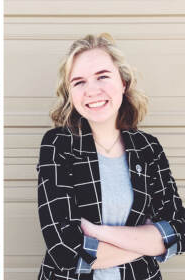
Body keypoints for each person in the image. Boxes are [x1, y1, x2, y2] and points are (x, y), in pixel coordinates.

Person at [37, 33, 185, 280]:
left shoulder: (148, 148)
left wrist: (99, 232)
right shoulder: (58, 144)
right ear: (70, 93)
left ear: (123, 83)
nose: (92, 90)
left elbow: (179, 231)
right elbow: (64, 250)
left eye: (103, 76)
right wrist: (147, 242)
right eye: (79, 82)